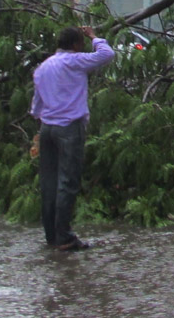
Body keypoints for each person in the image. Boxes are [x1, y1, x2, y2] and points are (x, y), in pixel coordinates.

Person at [31, 25, 114, 252]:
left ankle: (52, 236)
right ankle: (65, 237)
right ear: (77, 45)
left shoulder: (43, 68)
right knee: (67, 182)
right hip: (69, 128)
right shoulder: (74, 61)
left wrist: (39, 132)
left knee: (49, 183)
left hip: (47, 128)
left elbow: (36, 105)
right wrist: (95, 37)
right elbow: (107, 54)